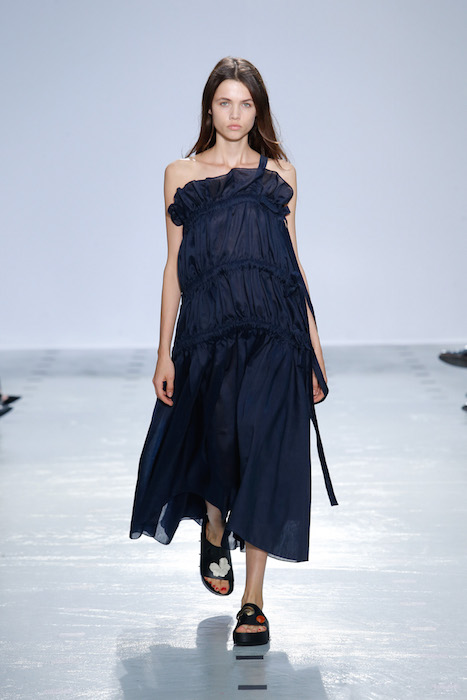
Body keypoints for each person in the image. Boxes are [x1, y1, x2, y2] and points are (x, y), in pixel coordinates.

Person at [129, 56, 338, 646]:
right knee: (222, 444)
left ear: (258, 110)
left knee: (268, 453)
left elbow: (292, 262)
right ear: (209, 108)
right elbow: (173, 266)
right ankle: (215, 525)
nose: (236, 114)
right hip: (209, 335)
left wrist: (314, 347)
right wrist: (164, 352)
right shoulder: (181, 173)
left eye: (246, 104)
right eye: (225, 102)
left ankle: (254, 602)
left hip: (275, 334)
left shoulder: (281, 174)